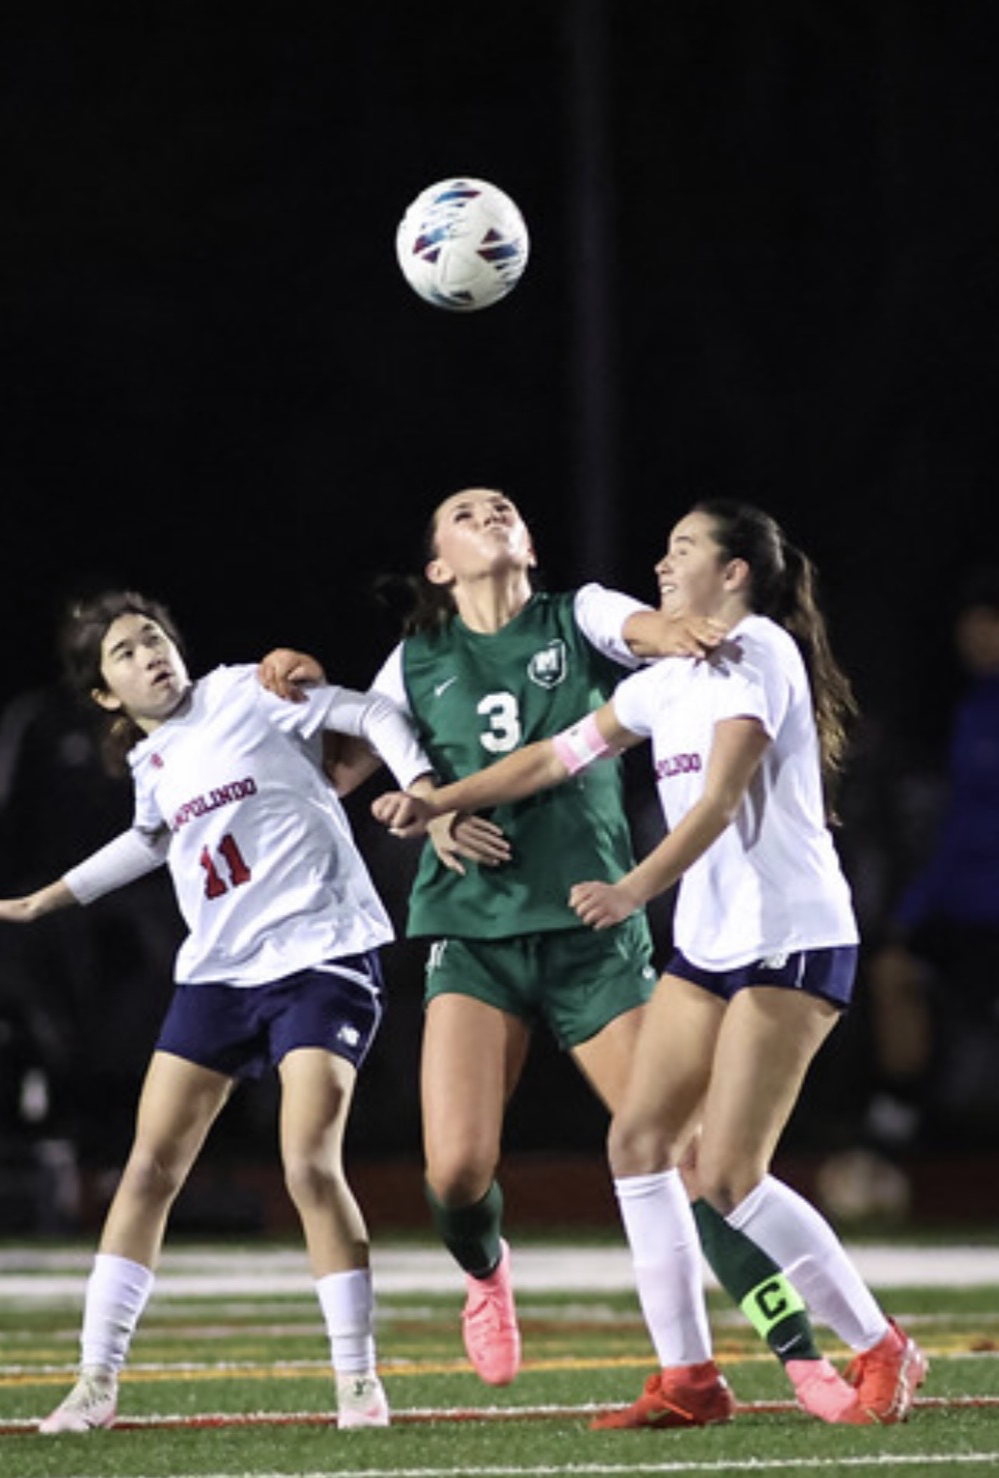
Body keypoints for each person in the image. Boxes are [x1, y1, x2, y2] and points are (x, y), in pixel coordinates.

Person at [260, 486, 845, 1410]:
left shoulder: (579, 616)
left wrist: (680, 631)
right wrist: (295, 687)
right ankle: (487, 1273)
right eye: (464, 513)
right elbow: (340, 771)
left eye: (504, 507)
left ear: (528, 543)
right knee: (454, 1169)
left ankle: (797, 1350)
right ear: (438, 567)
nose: (491, 514)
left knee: (684, 1157)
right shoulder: (416, 661)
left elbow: (646, 629)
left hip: (592, 934)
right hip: (474, 931)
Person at [373, 499, 929, 1427]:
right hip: (707, 947)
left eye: (682, 549)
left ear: (737, 571)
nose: (663, 563)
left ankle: (879, 1345)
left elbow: (718, 800)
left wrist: (631, 890)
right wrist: (435, 801)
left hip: (785, 939)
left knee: (728, 1175)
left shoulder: (758, 653)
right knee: (638, 1146)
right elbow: (552, 757)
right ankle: (688, 1381)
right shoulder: (665, 682)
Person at [0, 590, 436, 1434]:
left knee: (308, 1166)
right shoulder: (151, 761)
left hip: (321, 954)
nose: (150, 656)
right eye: (126, 654)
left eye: (154, 639)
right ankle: (95, 1385)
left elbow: (368, 713)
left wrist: (423, 785)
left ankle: (358, 1383)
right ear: (106, 695)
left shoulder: (247, 689)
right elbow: (148, 840)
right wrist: (38, 903)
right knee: (148, 1170)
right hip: (219, 973)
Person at [862, 568, 999, 1153]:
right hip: (966, 901)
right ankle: (896, 1123)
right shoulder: (972, 710)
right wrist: (918, 906)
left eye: (987, 626)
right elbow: (963, 825)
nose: (974, 638)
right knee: (894, 969)